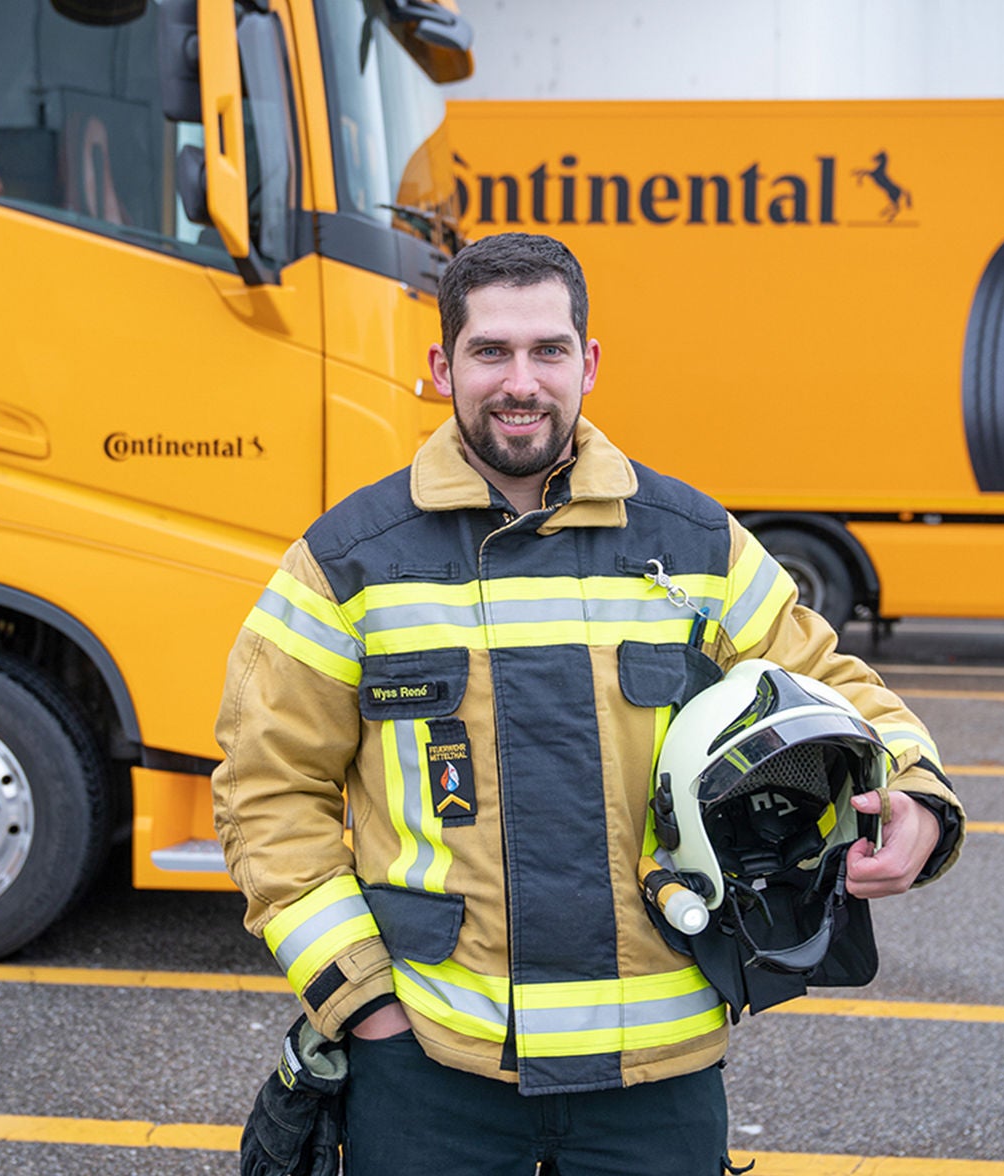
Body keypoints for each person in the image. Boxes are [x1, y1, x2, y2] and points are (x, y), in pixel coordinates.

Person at [212, 232, 963, 1175]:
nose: (519, 380)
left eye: (547, 351)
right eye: (490, 351)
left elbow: (837, 689)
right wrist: (364, 1006)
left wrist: (917, 795)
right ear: (443, 366)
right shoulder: (348, 562)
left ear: (588, 362)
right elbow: (267, 792)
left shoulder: (693, 544)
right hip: (430, 1069)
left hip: (657, 1078)